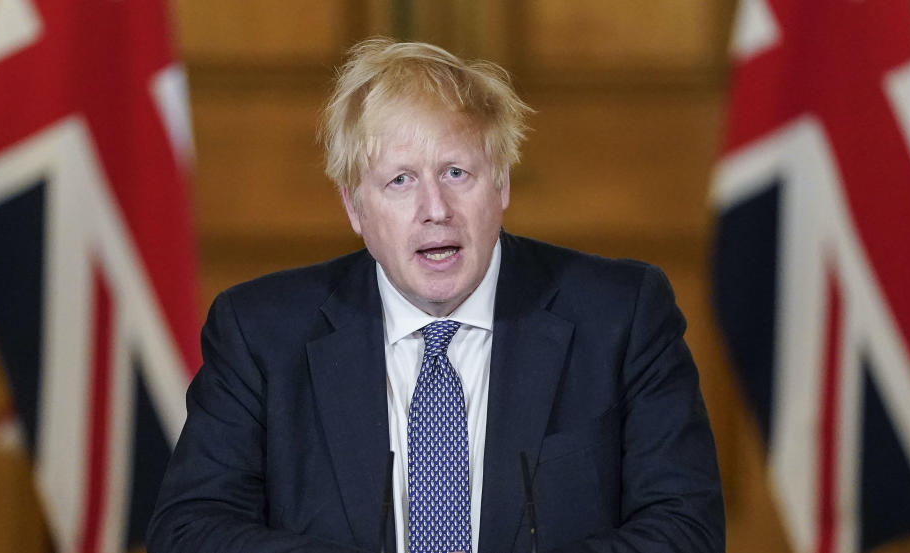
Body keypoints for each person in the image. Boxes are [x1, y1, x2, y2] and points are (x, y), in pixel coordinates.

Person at [147, 38, 724, 553]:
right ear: (354, 207)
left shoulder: (621, 316)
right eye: (400, 180)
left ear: (499, 182)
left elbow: (685, 528)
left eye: (455, 172)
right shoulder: (261, 333)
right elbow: (190, 529)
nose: (435, 210)